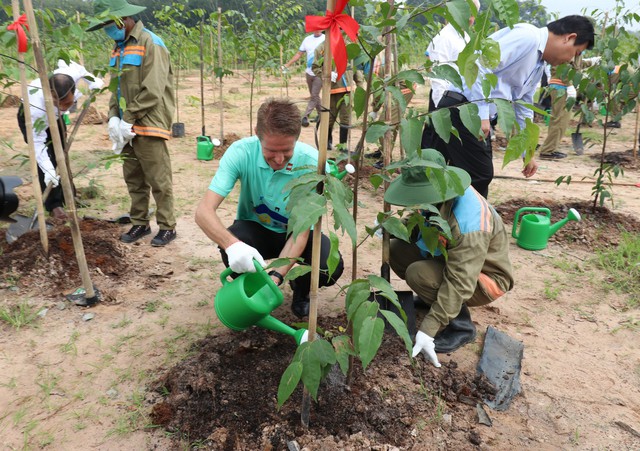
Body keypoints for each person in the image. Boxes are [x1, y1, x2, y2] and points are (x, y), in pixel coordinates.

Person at [194, 98, 344, 318]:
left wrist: (275, 278)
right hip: (257, 230)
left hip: (296, 233)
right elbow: (203, 212)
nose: (279, 159)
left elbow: (300, 234)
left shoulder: (312, 163)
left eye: (287, 150)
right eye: (271, 151)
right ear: (257, 133)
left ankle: (301, 289)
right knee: (233, 241)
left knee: (328, 266)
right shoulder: (240, 153)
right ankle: (251, 287)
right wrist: (233, 245)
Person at [426, 15, 595, 199]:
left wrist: (527, 151)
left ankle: (436, 224)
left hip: (469, 110)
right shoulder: (527, 37)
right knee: (478, 175)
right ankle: (467, 225)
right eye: (576, 52)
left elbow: (523, 106)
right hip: (462, 108)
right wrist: (482, 115)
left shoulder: (538, 63)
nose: (572, 59)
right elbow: (480, 65)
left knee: (445, 173)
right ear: (569, 38)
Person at [384, 150, 514, 367]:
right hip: (452, 257)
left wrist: (428, 330)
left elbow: (460, 281)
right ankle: (432, 299)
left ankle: (461, 325)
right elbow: (421, 216)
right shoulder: (442, 194)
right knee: (397, 250)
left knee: (418, 274)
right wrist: (392, 228)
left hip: (483, 278)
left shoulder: (469, 224)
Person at [87, 0, 177, 247]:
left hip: (149, 122)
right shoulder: (118, 48)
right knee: (134, 178)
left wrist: (127, 118)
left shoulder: (151, 43)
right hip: (126, 125)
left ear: (122, 20)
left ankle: (168, 226)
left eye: (108, 24)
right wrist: (113, 117)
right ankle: (140, 222)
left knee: (158, 179)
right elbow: (115, 88)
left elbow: (154, 89)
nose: (107, 30)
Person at [17, 73, 76, 220]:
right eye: (59, 103)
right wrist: (49, 170)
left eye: (67, 103)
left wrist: (94, 83)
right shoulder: (35, 109)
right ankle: (54, 205)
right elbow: (39, 147)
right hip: (36, 120)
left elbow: (81, 71)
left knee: (62, 152)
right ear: (50, 95)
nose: (63, 107)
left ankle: (68, 195)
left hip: (55, 117)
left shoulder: (70, 75)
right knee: (48, 158)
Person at [538, 55, 600, 160]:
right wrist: (569, 85)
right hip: (561, 87)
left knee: (560, 119)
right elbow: (562, 68)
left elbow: (576, 65)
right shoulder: (570, 46)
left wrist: (591, 62)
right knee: (560, 120)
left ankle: (549, 148)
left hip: (561, 87)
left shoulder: (576, 49)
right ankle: (547, 151)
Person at [312, 43, 353, 151]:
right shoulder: (321, 48)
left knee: (346, 118)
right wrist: (326, 74)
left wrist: (359, 82)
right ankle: (327, 142)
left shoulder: (348, 46)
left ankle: (343, 146)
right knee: (329, 118)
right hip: (331, 90)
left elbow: (354, 66)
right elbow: (315, 67)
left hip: (348, 89)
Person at [283, 30, 325, 127]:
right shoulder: (307, 40)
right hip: (309, 72)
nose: (317, 30)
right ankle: (321, 115)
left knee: (314, 95)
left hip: (320, 72)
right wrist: (288, 64)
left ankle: (305, 117)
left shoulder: (326, 39)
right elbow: (299, 54)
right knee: (315, 96)